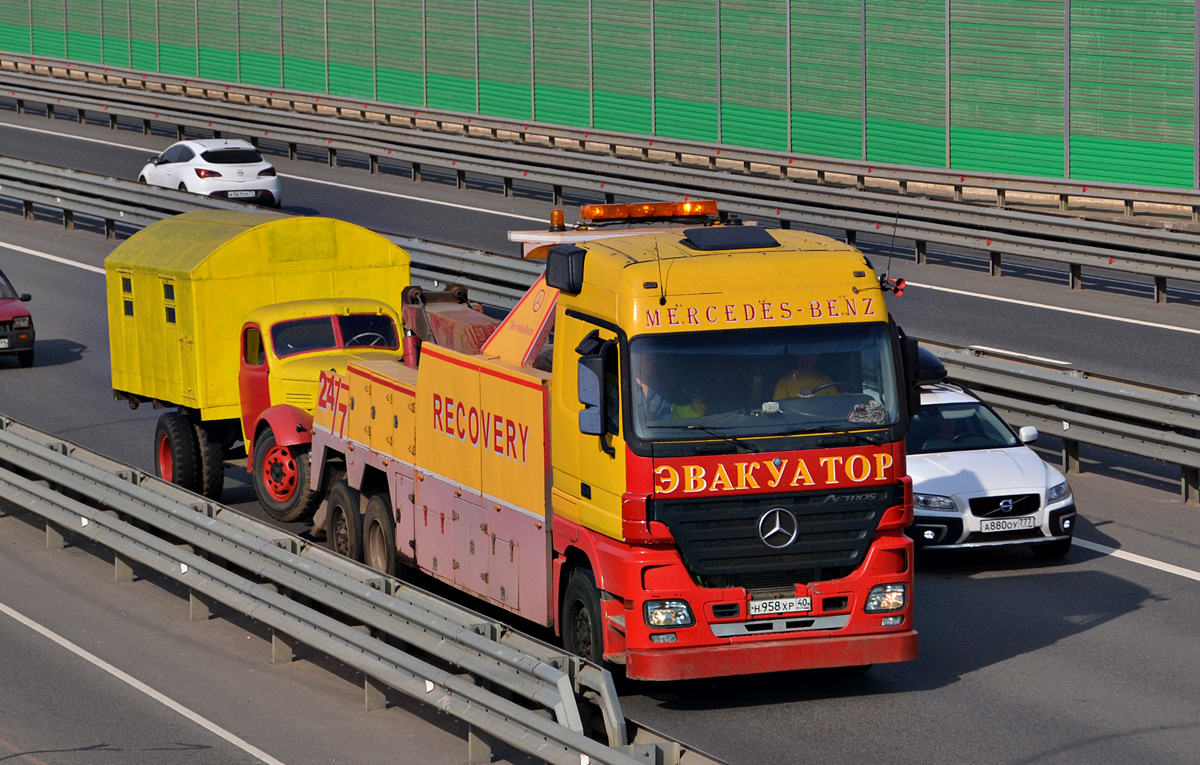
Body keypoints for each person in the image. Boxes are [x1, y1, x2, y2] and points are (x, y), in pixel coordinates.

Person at [634, 355, 705, 421]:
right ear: (636, 362)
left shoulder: (660, 389)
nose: (651, 364)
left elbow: (666, 414)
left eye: (653, 361)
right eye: (646, 361)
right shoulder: (626, 386)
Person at [773, 353, 837, 400]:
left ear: (817, 356)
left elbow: (836, 404)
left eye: (811, 354)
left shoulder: (827, 381)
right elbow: (779, 407)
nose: (807, 357)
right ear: (797, 356)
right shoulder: (784, 382)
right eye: (803, 354)